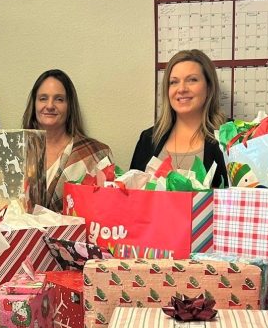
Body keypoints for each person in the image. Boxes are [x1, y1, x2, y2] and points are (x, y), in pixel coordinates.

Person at [130, 49, 228, 187]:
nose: (181, 89)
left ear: (209, 87)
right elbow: (132, 196)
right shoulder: (148, 139)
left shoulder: (230, 137)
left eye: (192, 80)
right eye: (174, 82)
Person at [22, 69, 112, 212]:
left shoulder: (96, 154)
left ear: (69, 106)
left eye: (59, 99)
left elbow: (106, 210)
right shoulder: (15, 152)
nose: (50, 105)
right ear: (34, 105)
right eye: (43, 98)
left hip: (76, 234)